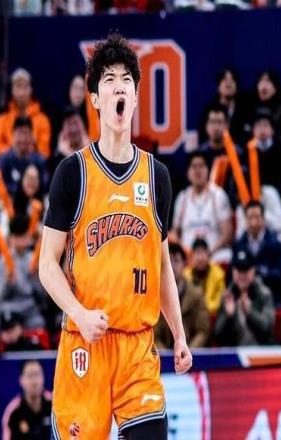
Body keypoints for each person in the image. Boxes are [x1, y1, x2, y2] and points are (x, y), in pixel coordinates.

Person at [39, 33, 191, 439]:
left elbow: (161, 265)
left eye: (126, 80)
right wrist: (79, 313)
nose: (119, 86)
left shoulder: (157, 176)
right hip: (85, 344)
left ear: (136, 96)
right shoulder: (73, 173)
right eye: (109, 80)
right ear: (95, 99)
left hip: (137, 347)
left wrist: (178, 334)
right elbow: (46, 265)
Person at [172, 151, 233, 265]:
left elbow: (227, 233)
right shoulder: (182, 198)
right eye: (194, 167)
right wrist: (188, 253)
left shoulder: (218, 195)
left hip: (213, 256)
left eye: (201, 166)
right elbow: (175, 233)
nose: (198, 171)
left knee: (227, 255)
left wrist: (208, 253)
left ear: (208, 170)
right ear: (188, 172)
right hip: (188, 258)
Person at [214, 249, 275, 346]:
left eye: (245, 270)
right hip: (234, 352)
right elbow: (217, 334)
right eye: (239, 270)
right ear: (233, 271)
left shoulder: (264, 294)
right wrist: (228, 316)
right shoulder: (227, 296)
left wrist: (249, 312)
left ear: (253, 270)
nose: (242, 275)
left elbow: (267, 329)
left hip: (261, 350)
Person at [0, 68, 52, 163]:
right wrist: (16, 152)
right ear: (12, 90)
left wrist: (26, 152)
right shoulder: (1, 120)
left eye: (25, 87)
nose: (22, 92)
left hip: (33, 167)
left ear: (31, 90)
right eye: (18, 86)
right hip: (7, 168)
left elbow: (44, 152)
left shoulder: (43, 120)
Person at [155, 242, 210, 349]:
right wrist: (164, 355)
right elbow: (155, 333)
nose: (172, 266)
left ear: (185, 264)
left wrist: (187, 352)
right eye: (169, 261)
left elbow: (202, 331)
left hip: (190, 351)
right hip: (163, 353)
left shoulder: (196, 294)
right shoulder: (156, 294)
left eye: (176, 261)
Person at [234, 201, 281, 304]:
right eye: (250, 218)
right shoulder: (239, 244)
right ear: (245, 220)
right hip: (245, 296)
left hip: (271, 296)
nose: (254, 223)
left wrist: (260, 272)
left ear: (263, 219)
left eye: (257, 217)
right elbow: (234, 272)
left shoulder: (276, 243)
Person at [0, 116, 47, 198]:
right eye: (20, 134)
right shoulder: (4, 159)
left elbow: (45, 185)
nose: (23, 139)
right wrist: (21, 189)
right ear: (13, 135)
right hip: (10, 201)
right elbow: (0, 186)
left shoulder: (39, 160)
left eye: (26, 134)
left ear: (32, 136)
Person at [2, 360, 52, 440]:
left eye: (37, 374)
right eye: (29, 375)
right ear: (21, 380)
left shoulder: (55, 404)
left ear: (43, 377)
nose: (34, 381)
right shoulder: (13, 411)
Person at [183, 237, 226, 317]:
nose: (200, 258)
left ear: (208, 254)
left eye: (203, 253)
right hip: (191, 316)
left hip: (212, 316)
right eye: (197, 254)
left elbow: (219, 302)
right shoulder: (185, 275)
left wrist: (202, 308)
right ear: (192, 256)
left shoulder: (219, 274)